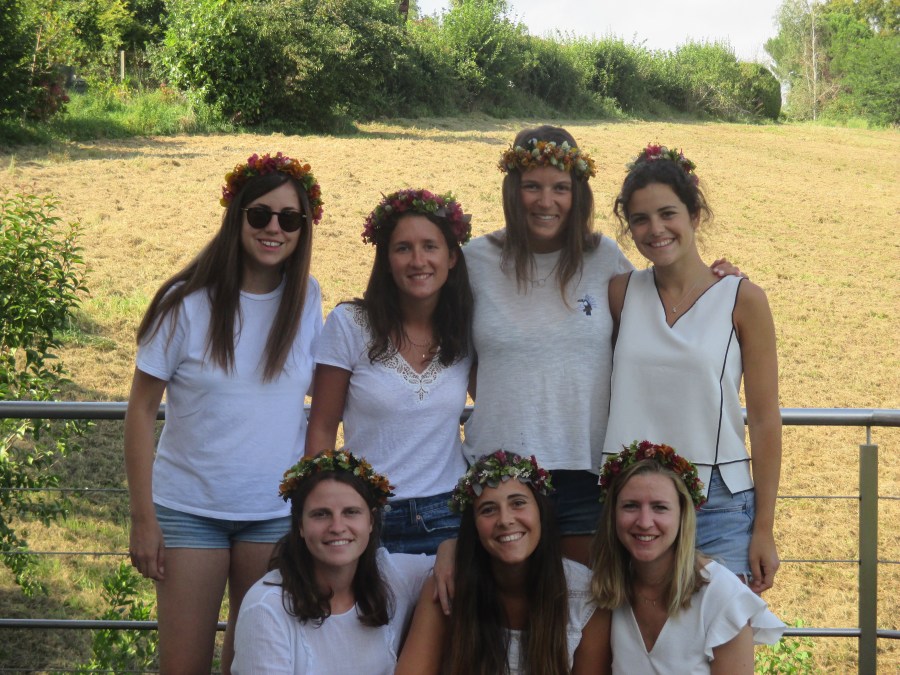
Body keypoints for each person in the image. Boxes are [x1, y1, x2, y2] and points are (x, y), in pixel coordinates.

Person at [462, 126, 739, 564]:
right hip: (501, 478)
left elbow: (663, 299)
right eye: (531, 186)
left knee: (584, 613)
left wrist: (719, 281)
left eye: (560, 188)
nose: (544, 201)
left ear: (579, 193)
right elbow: (457, 356)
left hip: (587, 474)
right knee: (503, 614)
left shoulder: (604, 257)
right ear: (512, 189)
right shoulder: (475, 260)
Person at [124, 152, 324, 674]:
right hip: (190, 512)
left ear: (304, 228)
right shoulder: (183, 302)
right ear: (236, 216)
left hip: (273, 513)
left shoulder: (306, 299)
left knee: (255, 666)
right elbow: (142, 410)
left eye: (289, 218)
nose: (273, 228)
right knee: (184, 666)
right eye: (259, 214)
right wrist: (143, 518)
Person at [601, 144, 782, 593]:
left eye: (668, 214)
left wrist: (763, 528)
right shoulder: (620, 294)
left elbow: (763, 419)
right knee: (636, 650)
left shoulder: (743, 298)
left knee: (718, 651)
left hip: (717, 505)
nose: (655, 229)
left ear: (695, 214)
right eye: (640, 219)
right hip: (633, 505)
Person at [305, 189, 474, 554]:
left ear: (452, 258)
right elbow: (321, 426)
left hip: (449, 518)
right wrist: (318, 509)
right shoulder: (350, 325)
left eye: (430, 246)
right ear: (386, 259)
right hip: (366, 517)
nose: (418, 260)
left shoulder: (464, 331)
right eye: (402, 248)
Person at [396, 450, 611, 675]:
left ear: (541, 512)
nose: (505, 520)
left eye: (518, 503)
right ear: (474, 526)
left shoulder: (585, 594)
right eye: (488, 510)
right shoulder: (448, 586)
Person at [232, 449, 433, 674]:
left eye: (351, 512)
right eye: (321, 514)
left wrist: (448, 548)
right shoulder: (266, 608)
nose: (337, 527)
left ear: (371, 521)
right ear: (300, 525)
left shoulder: (395, 575)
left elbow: (460, 565)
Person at [591, 441, 785, 673]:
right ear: (613, 514)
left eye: (660, 507)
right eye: (630, 506)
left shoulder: (721, 597)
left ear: (684, 515)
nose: (644, 522)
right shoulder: (608, 589)